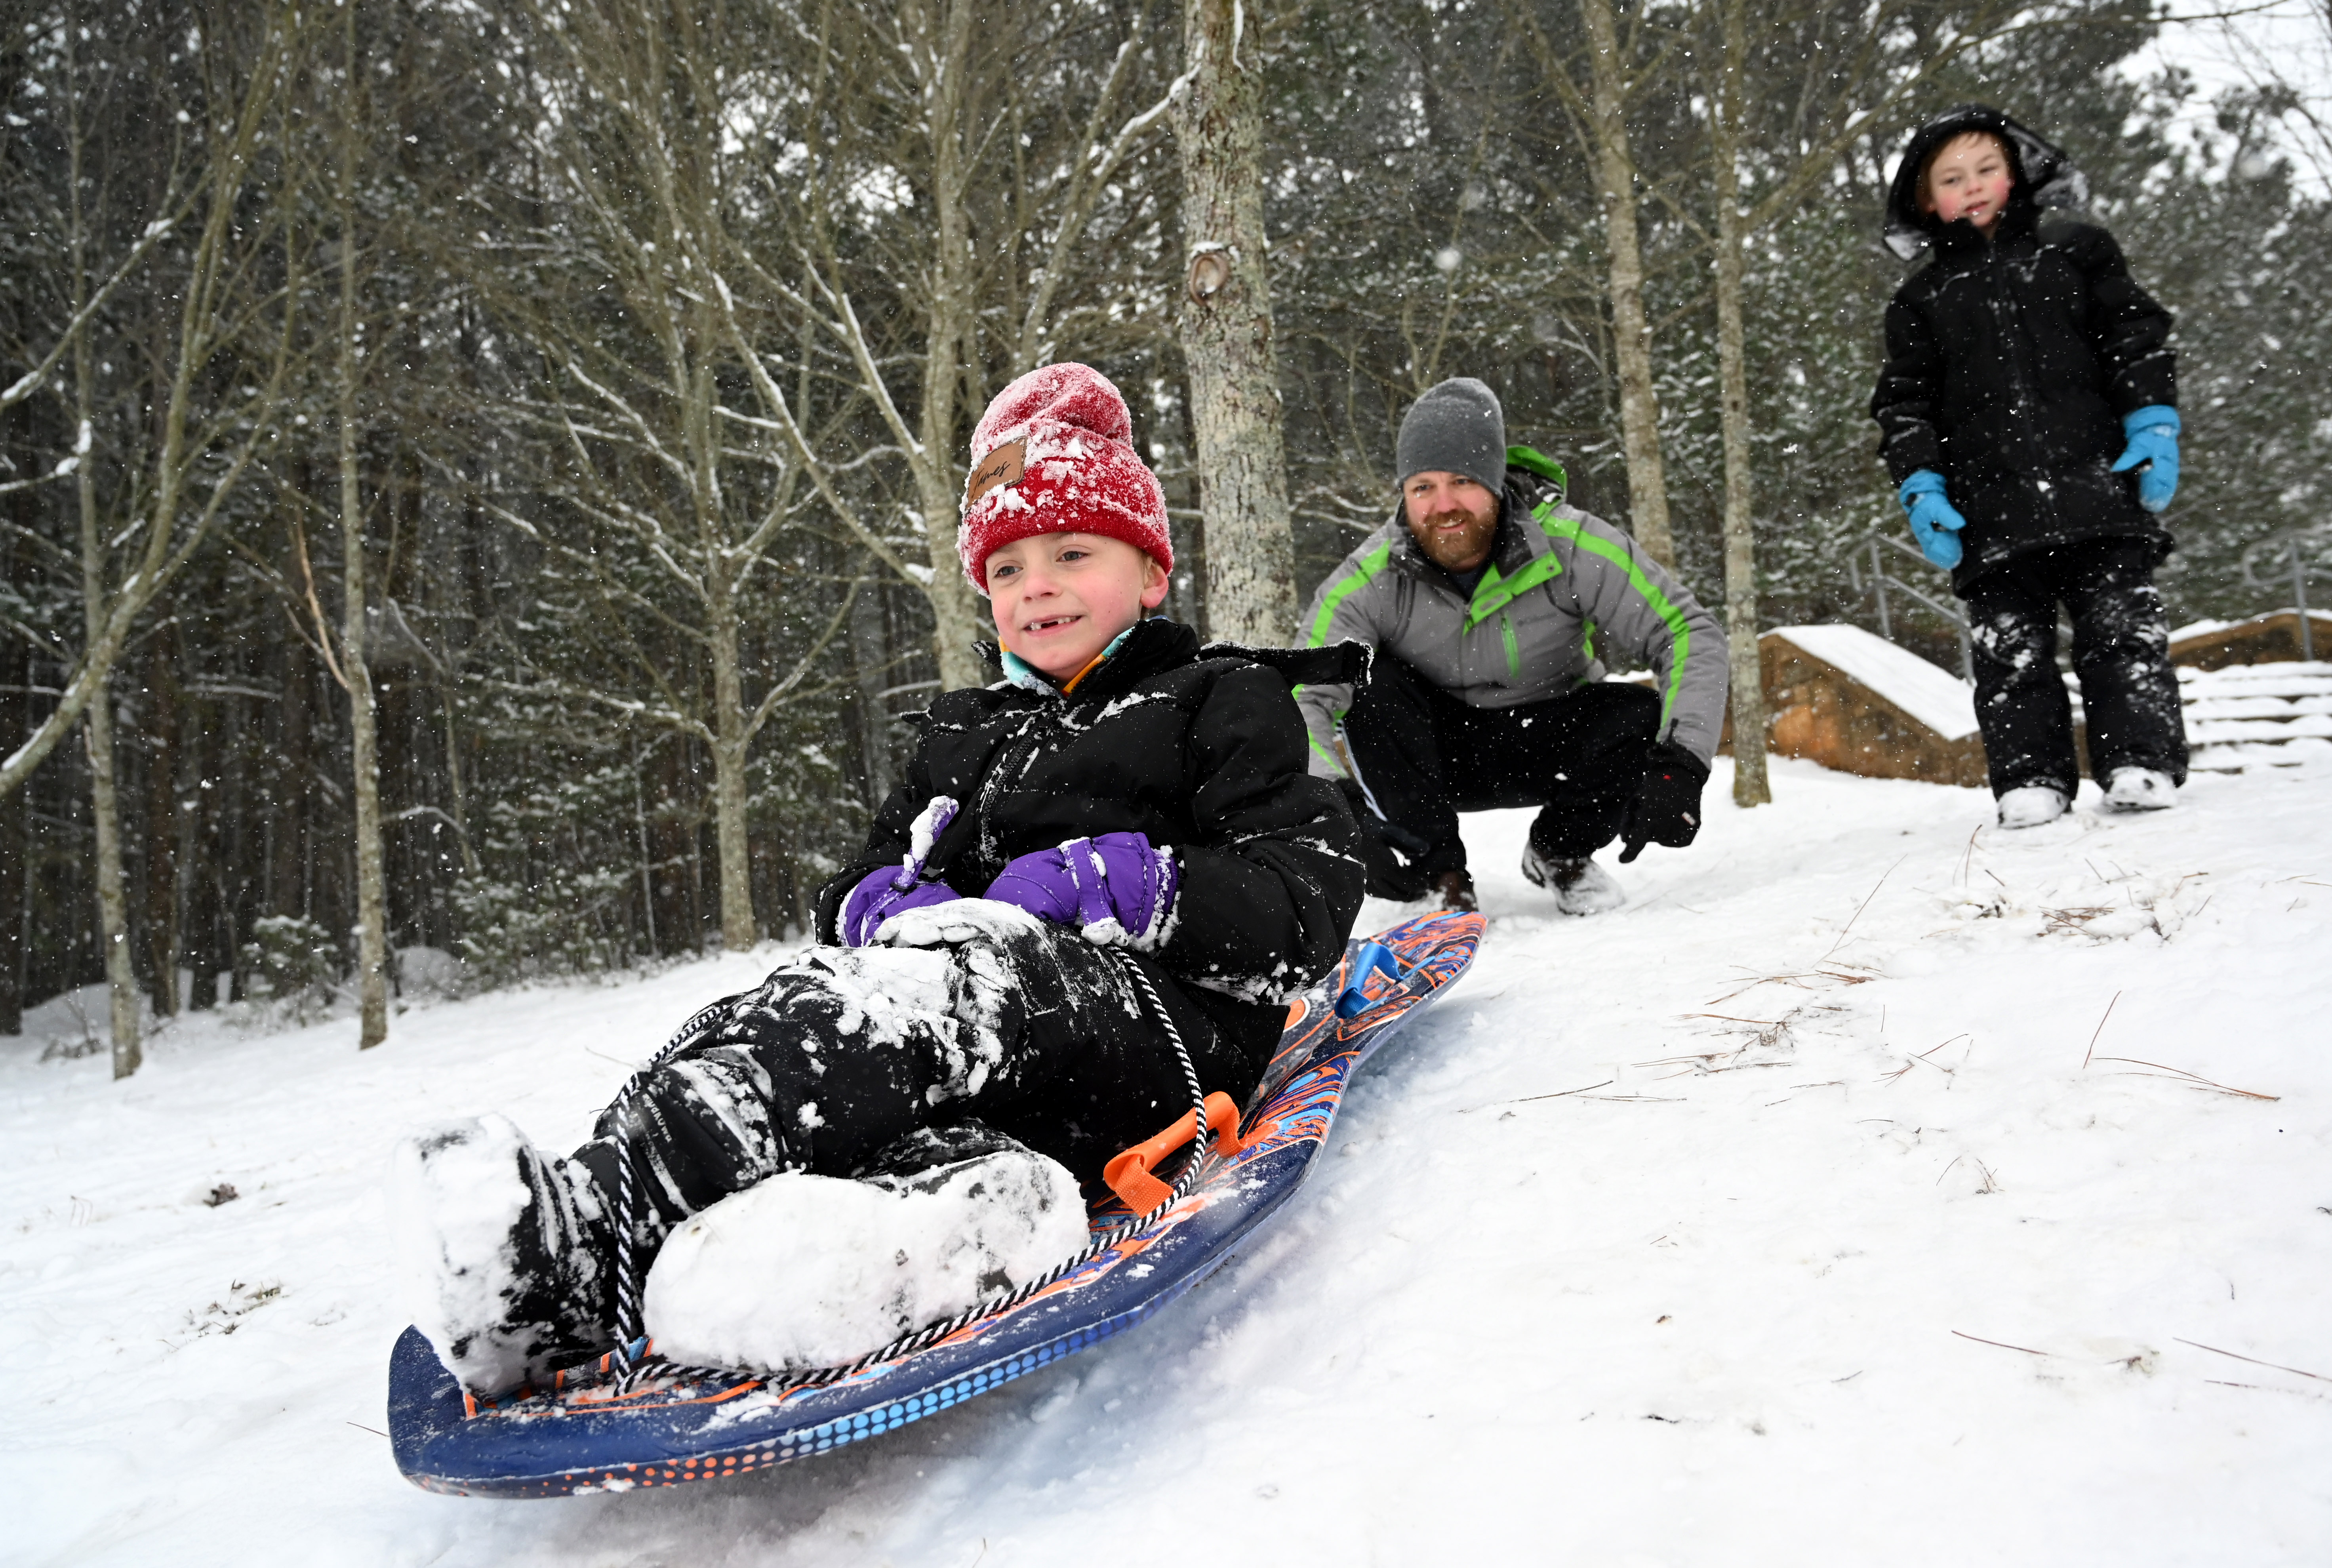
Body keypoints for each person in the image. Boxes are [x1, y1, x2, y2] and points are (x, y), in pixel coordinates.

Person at [392, 364, 1365, 1395]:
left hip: (1159, 1033)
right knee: (799, 1009)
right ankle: (930, 1220)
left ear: (1151, 572)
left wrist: (1122, 883)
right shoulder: (964, 733)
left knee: (955, 987)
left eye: (1074, 554)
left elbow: (1304, 904)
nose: (1037, 586)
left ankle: (592, 1247)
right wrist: (876, 905)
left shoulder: (1217, 697)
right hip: (995, 1054)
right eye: (1008, 569)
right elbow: (864, 878)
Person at [1294, 377, 1727, 916]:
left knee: (1637, 713)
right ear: (1403, 495)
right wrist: (1335, 810)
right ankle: (1440, 879)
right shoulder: (1368, 579)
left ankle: (1560, 851)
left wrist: (1682, 765)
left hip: (1551, 740)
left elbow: (1686, 630)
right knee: (1370, 686)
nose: (1444, 505)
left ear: (1497, 482)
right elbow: (1301, 697)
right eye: (1423, 487)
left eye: (1463, 481)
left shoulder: (1572, 545)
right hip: (1435, 755)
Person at [1871, 105, 2187, 829]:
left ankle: (2139, 759)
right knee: (2011, 655)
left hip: (2098, 489)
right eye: (1951, 179)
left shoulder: (2077, 250)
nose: (1972, 186)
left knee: (2122, 635)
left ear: (2016, 172)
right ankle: (2032, 779)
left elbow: (2135, 339)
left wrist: (2151, 420)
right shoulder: (1920, 300)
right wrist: (1922, 486)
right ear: (1926, 202)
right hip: (1993, 515)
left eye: (1987, 169)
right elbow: (1905, 407)